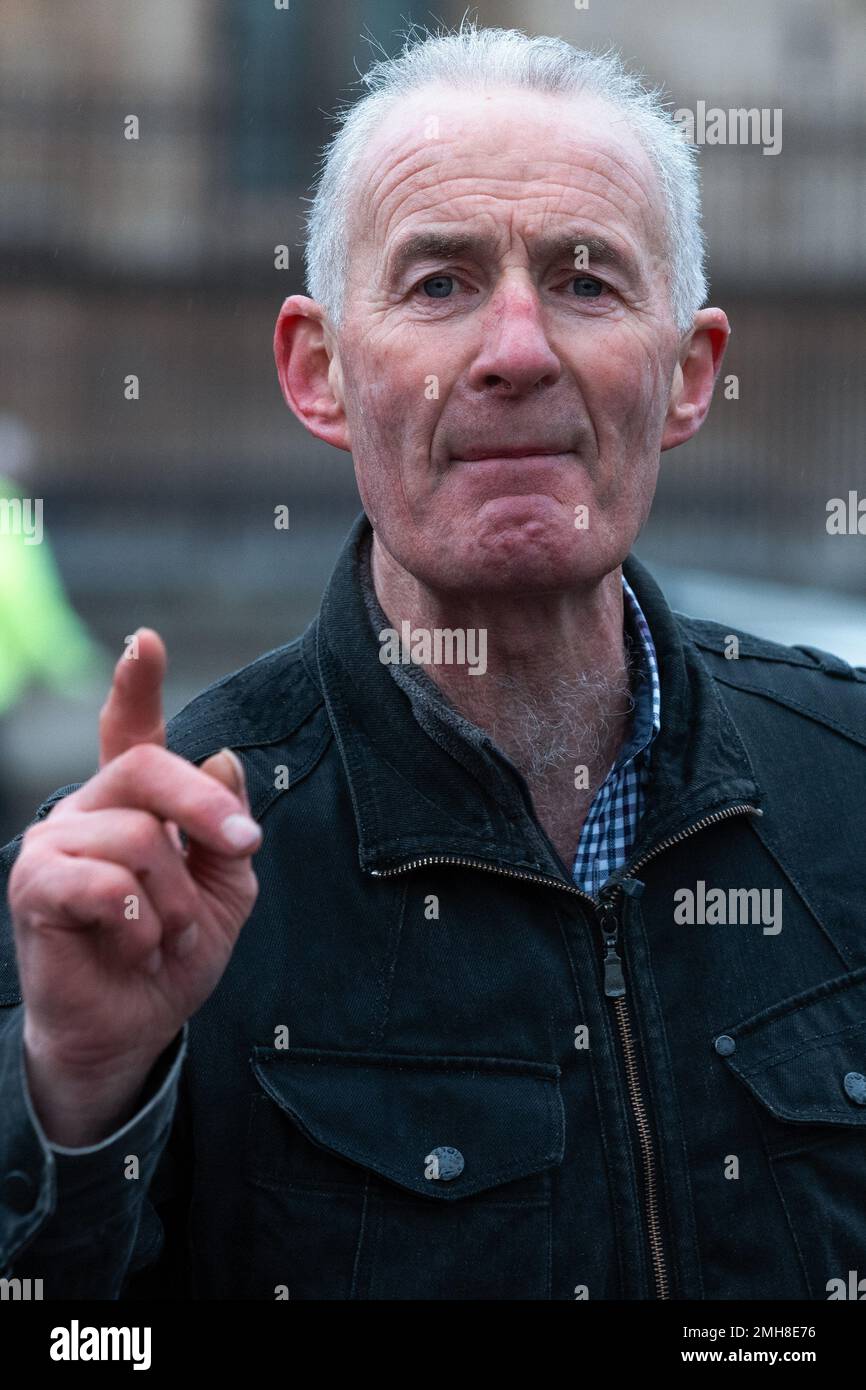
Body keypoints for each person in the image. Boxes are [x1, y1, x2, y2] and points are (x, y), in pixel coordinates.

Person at [2, 23, 865, 1302]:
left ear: (687, 379)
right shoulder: (143, 880)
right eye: (439, 284)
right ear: (321, 373)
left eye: (583, 281)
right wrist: (81, 1102)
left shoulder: (844, 786)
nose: (515, 350)